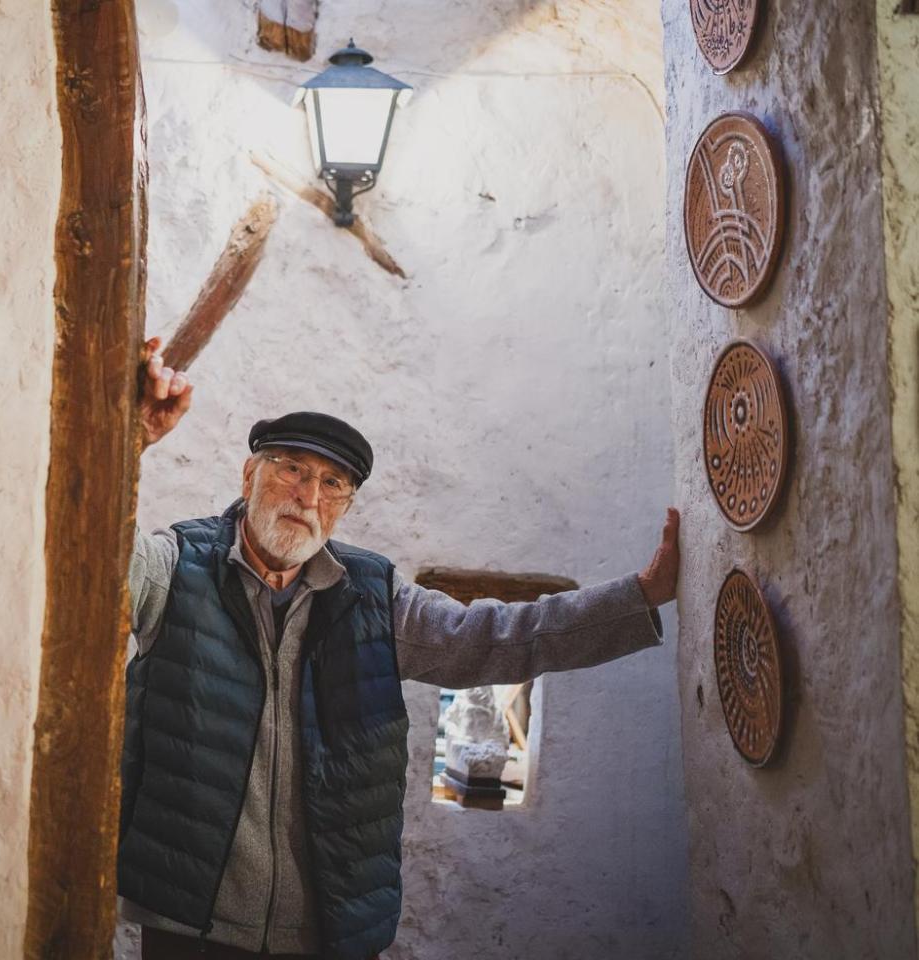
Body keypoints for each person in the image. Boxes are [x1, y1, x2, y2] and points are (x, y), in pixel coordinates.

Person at [119, 339, 680, 960]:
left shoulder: (374, 596)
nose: (308, 496)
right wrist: (129, 440)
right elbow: (99, 561)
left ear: (345, 507)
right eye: (292, 470)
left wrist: (640, 597)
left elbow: (497, 637)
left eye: (332, 483)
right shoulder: (176, 567)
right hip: (193, 924)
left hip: (329, 931)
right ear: (250, 475)